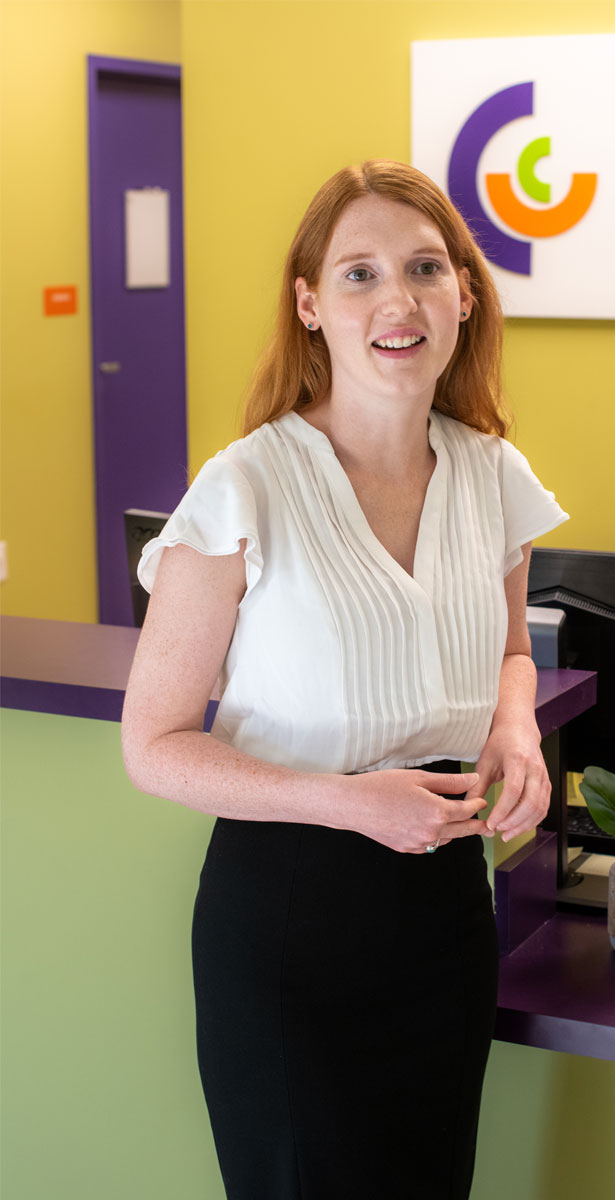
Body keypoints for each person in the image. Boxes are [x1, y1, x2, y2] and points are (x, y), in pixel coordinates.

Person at [121, 159, 569, 1200]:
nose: (397, 300)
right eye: (359, 273)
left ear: (465, 293)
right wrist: (339, 802)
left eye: (423, 268)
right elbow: (153, 747)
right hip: (290, 923)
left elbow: (511, 648)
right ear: (311, 305)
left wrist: (514, 729)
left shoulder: (493, 476)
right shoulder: (244, 487)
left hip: (447, 912)